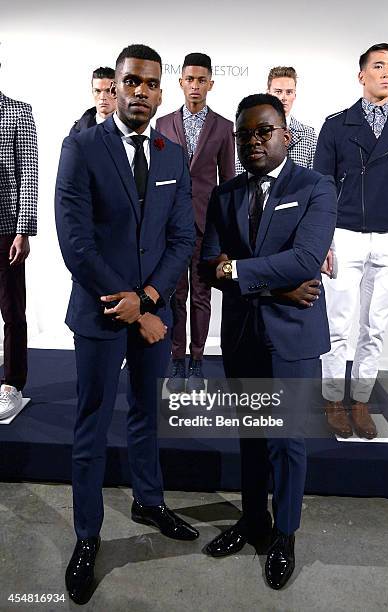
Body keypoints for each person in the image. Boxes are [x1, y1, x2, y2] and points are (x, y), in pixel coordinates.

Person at [55, 44, 197, 605]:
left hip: (153, 312)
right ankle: (86, 537)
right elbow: (76, 242)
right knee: (91, 425)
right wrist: (130, 304)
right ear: (115, 86)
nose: (141, 92)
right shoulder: (81, 147)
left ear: (161, 92)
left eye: (151, 84)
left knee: (146, 414)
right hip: (99, 313)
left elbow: (182, 238)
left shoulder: (169, 154)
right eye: (131, 82)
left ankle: (149, 500)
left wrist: (150, 298)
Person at [201, 94, 337, 589]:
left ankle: (285, 534)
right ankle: (253, 519)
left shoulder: (317, 186)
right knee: (252, 435)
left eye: (264, 132)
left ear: (285, 134)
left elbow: (306, 260)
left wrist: (237, 269)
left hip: (293, 337)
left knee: (287, 439)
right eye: (245, 135)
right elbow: (208, 266)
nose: (254, 142)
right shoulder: (225, 194)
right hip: (243, 333)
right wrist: (272, 283)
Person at [314, 43, 388, 439]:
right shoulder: (336, 126)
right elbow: (319, 189)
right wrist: (320, 244)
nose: (386, 73)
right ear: (361, 75)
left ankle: (362, 400)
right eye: (378, 66)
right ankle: (334, 399)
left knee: (375, 326)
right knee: (337, 326)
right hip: (344, 236)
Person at [156, 53, 235, 392]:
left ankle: (198, 362)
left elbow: (229, 181)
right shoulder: (162, 124)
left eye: (202, 80)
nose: (195, 85)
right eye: (190, 79)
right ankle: (176, 361)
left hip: (206, 225)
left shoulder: (223, 127)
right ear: (181, 82)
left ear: (211, 84)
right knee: (175, 296)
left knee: (202, 297)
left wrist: (227, 232)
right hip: (172, 224)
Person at [0, 88, 38, 420]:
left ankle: (12, 383)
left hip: (4, 226)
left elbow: (28, 174)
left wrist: (22, 229)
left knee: (12, 309)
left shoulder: (17, 112)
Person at [236, 66, 316, 174]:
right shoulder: (248, 128)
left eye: (289, 92)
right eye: (278, 92)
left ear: (294, 95)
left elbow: (314, 174)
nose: (284, 97)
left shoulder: (308, 135)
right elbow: (241, 170)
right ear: (268, 94)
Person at [69, 66, 116, 135]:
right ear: (92, 92)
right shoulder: (77, 131)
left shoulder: (134, 127)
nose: (102, 97)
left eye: (108, 91)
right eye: (97, 91)